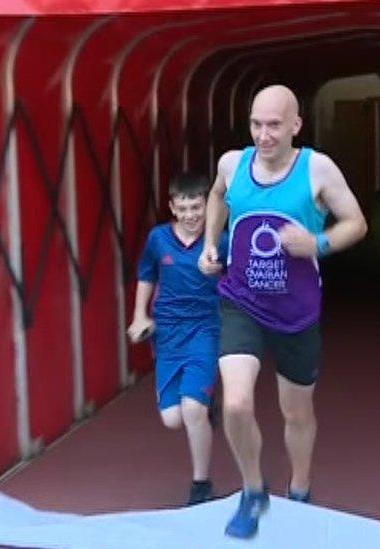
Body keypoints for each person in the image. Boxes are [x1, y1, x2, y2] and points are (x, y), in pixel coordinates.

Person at [198, 85, 367, 539]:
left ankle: (301, 490)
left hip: (296, 311)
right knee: (234, 402)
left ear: (296, 125)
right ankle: (254, 492)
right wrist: (212, 243)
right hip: (241, 302)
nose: (263, 134)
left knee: (296, 412)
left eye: (274, 125)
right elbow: (217, 195)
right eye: (256, 124)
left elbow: (356, 222)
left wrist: (317, 243)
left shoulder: (318, 169)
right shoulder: (233, 164)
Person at [127, 172, 227, 506]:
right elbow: (145, 274)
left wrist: (221, 273)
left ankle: (201, 485)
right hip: (168, 333)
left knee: (191, 409)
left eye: (197, 207)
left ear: (207, 206)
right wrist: (140, 315)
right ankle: (204, 406)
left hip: (205, 329)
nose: (190, 215)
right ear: (172, 207)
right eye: (183, 208)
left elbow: (241, 283)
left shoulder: (219, 241)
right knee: (173, 419)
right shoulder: (158, 239)